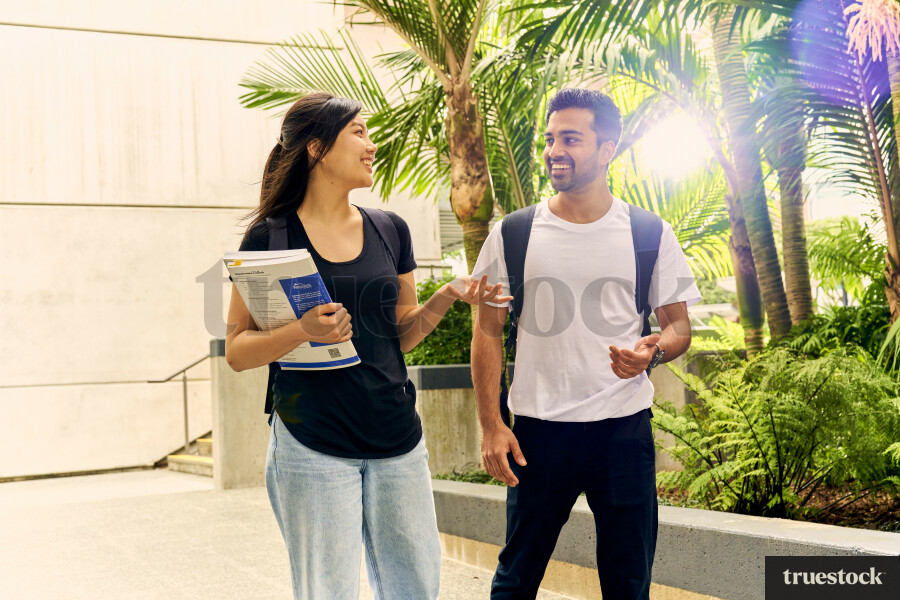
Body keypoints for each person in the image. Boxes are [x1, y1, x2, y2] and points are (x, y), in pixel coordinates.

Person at [224, 92, 510, 600]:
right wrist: (301, 331)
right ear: (316, 148)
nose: (370, 145)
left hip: (396, 437)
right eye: (358, 132)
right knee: (327, 591)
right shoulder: (269, 238)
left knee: (415, 588)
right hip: (312, 441)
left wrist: (447, 295)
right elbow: (238, 351)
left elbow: (401, 334)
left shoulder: (389, 229)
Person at [470, 88, 701, 599]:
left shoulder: (648, 232)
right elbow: (486, 332)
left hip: (622, 434)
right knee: (515, 580)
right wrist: (492, 426)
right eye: (551, 139)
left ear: (607, 148)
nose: (555, 150)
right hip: (537, 435)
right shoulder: (513, 233)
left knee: (627, 583)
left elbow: (679, 328)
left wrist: (652, 352)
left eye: (571, 139)